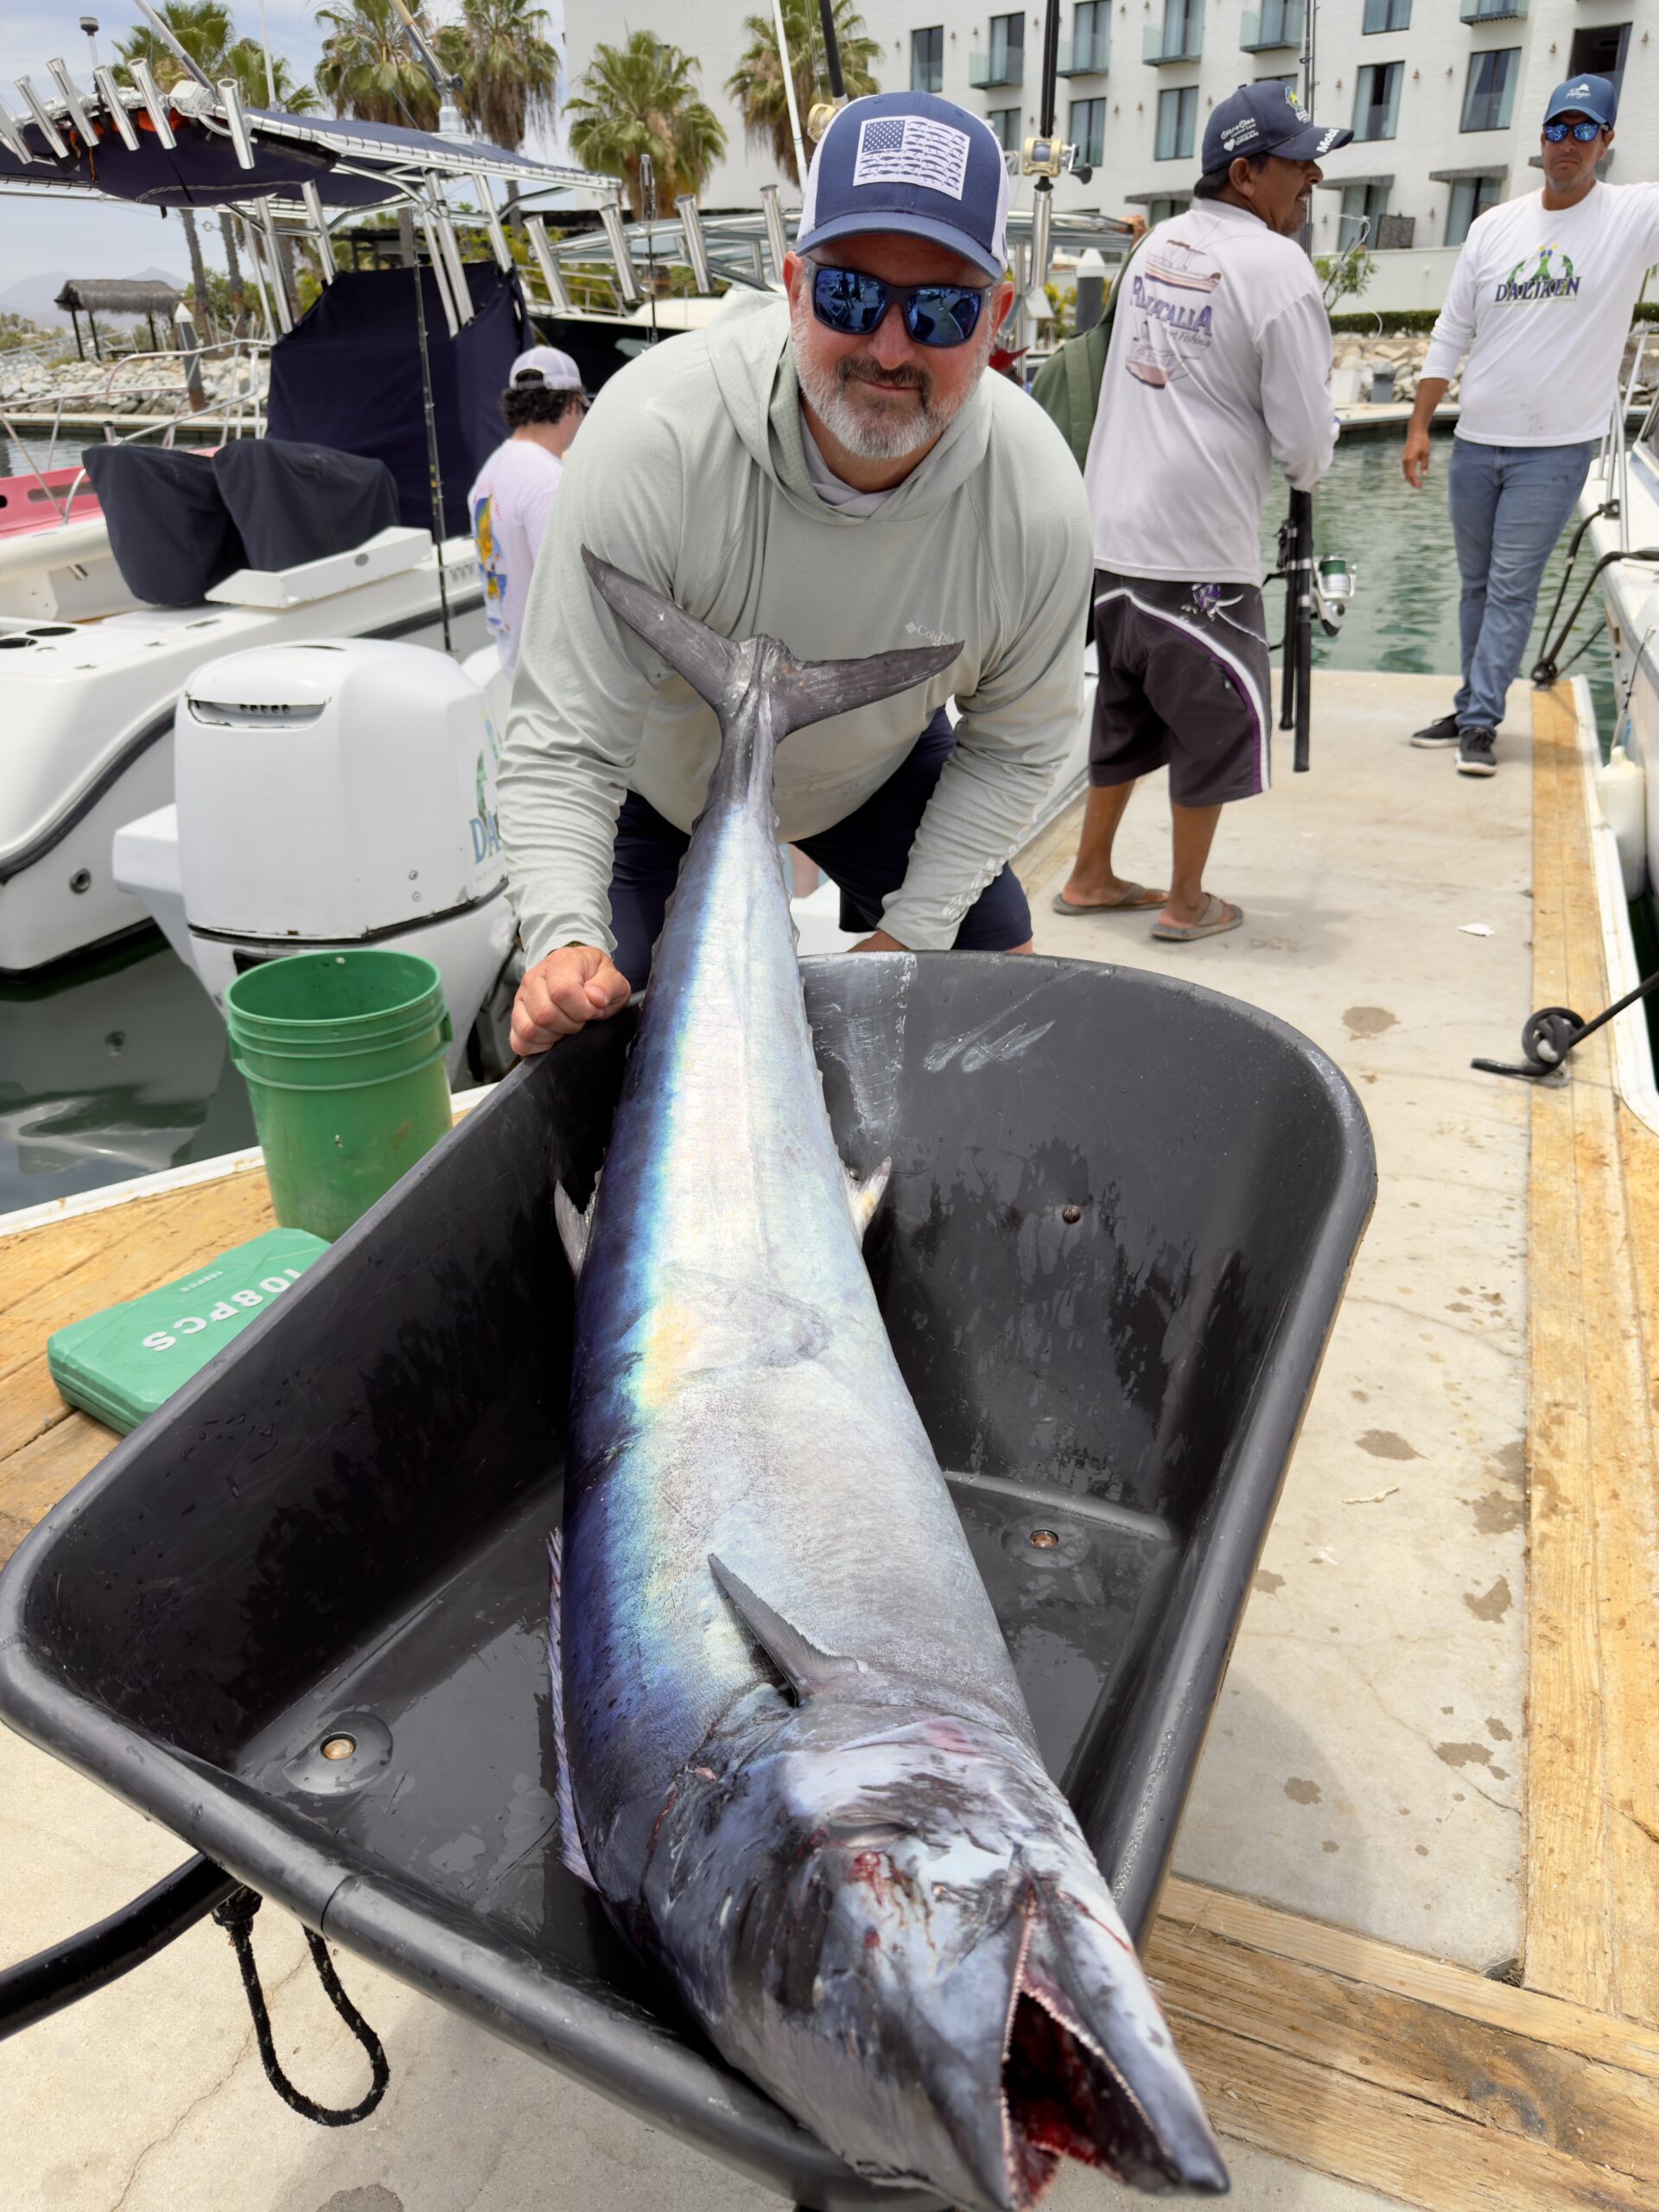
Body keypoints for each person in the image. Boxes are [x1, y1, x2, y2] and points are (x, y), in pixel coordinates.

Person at [498, 91, 1092, 1056]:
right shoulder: (654, 438)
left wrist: (910, 936)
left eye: (940, 310)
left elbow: (1018, 746)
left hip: (874, 772)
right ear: (790, 285)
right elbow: (567, 742)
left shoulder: (1037, 499)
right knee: (590, 1042)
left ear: (996, 319)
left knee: (994, 962)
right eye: (850, 296)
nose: (890, 349)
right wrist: (565, 932)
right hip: (662, 788)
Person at [1053, 83, 1346, 942]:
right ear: (1248, 173)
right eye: (1299, 164)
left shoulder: (1157, 247)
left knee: (1125, 708)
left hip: (1112, 544)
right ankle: (1187, 902)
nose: (1314, 179)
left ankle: (1090, 873)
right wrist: (1314, 446)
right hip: (1196, 555)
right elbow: (1304, 444)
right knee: (1216, 720)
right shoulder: (1279, 268)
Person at [1405, 75, 1659, 779]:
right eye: (1557, 129)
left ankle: (1481, 722)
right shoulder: (1494, 226)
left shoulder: (1633, 216)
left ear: (1607, 142)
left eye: (1585, 131)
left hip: (1553, 452)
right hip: (1477, 440)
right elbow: (1451, 330)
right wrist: (1420, 424)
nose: (1568, 144)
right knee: (1475, 587)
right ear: (1541, 139)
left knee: (1513, 587)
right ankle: (1471, 703)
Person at [467, 346, 586, 676]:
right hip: (555, 675)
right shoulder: (549, 482)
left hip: (515, 665)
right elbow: (567, 589)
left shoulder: (488, 475)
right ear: (571, 405)